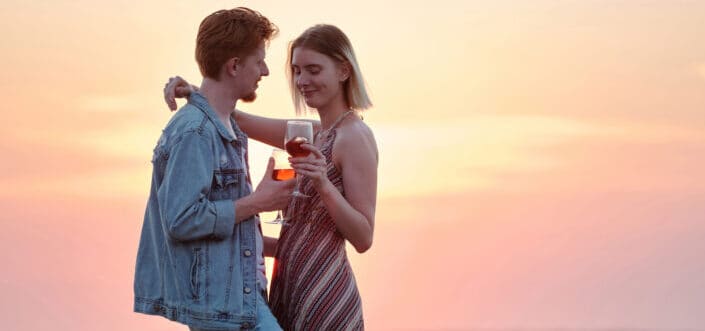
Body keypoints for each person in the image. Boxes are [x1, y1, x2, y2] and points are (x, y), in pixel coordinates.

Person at [165, 24, 378, 331]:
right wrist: (195, 92)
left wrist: (323, 184)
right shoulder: (313, 133)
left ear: (344, 70)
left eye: (314, 70)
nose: (303, 81)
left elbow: (363, 237)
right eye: (297, 71)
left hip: (324, 290)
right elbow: (238, 118)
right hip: (289, 284)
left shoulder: (354, 136)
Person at [134, 7, 293, 331]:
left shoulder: (224, 126)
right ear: (234, 66)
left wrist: (293, 249)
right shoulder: (196, 132)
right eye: (258, 61)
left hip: (239, 302)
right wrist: (258, 202)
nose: (264, 71)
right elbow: (181, 219)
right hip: (223, 311)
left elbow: (231, 233)